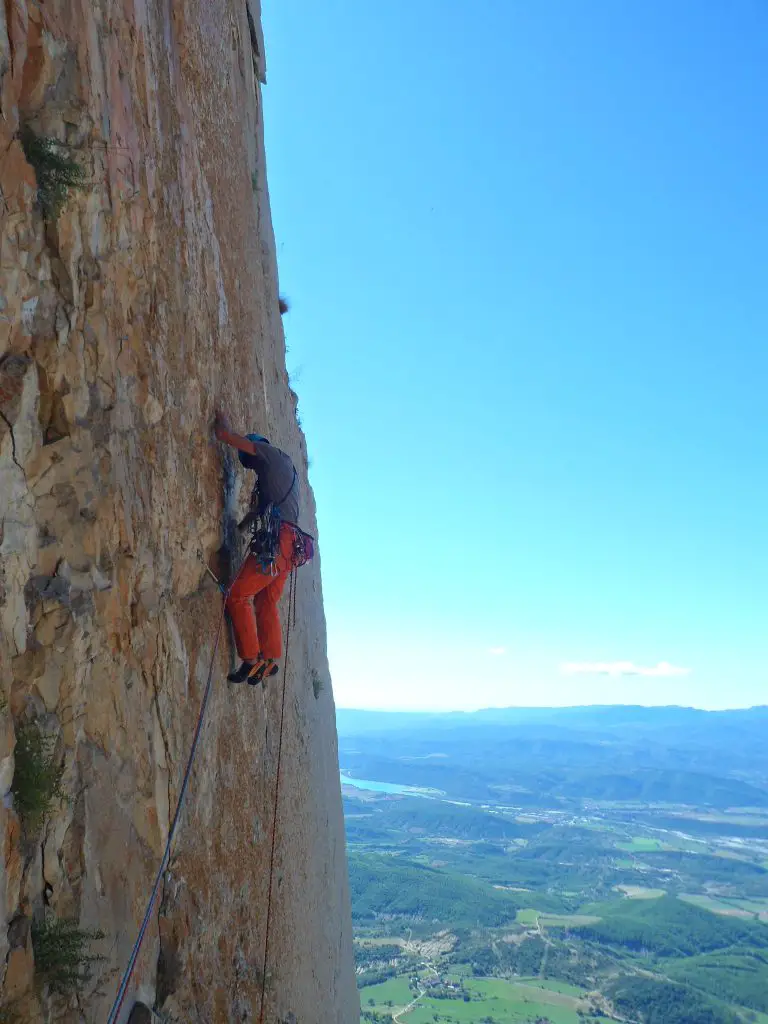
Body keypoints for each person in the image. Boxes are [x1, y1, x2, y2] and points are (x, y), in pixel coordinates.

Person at [213, 411, 313, 685]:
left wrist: (224, 432)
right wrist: (240, 529)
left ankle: (252, 660)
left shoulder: (269, 453)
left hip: (279, 543)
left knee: (237, 595)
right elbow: (258, 511)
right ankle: (268, 660)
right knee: (266, 600)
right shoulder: (284, 472)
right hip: (291, 548)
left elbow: (245, 445)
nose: (253, 467)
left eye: (251, 464)